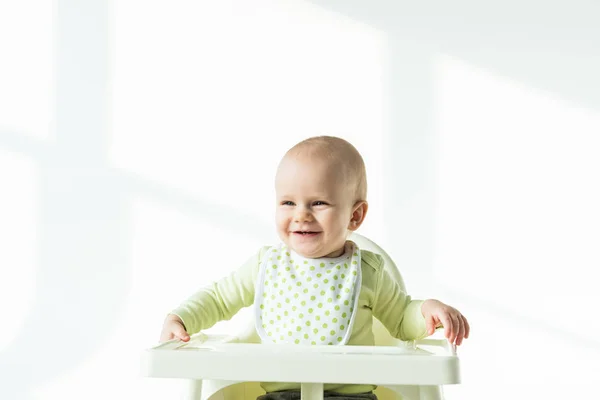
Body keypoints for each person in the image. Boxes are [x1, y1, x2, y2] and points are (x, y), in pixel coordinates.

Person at [159, 135, 470, 400]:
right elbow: (218, 298)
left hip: (351, 397)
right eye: (288, 203)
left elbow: (401, 318)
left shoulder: (367, 271)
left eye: (318, 203)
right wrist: (182, 317)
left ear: (355, 216)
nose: (301, 215)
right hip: (280, 395)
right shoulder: (266, 265)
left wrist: (427, 310)